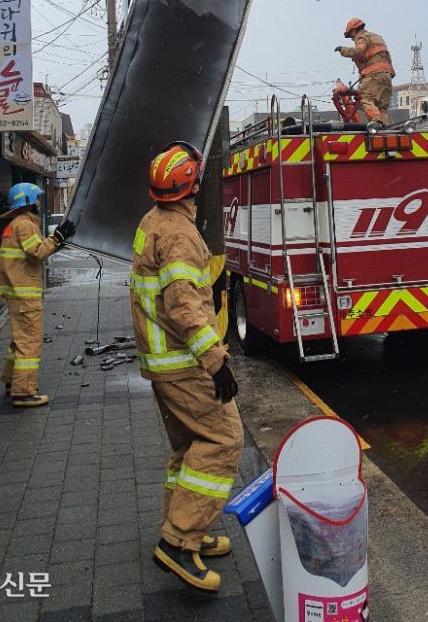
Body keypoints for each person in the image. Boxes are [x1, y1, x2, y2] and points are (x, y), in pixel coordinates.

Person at [130, 141, 243, 595]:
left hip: (161, 361)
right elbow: (182, 306)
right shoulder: (178, 234)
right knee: (223, 439)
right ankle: (178, 543)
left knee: (187, 447)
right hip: (183, 363)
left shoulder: (153, 221)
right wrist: (216, 363)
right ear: (191, 185)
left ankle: (187, 529)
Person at [0, 183, 76, 407]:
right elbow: (38, 253)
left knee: (19, 340)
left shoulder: (15, 224)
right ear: (28, 202)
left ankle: (12, 380)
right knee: (29, 343)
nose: (39, 203)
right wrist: (57, 238)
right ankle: (23, 392)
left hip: (16, 293)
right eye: (36, 199)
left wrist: (56, 241)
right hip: (24, 295)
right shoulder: (25, 225)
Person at [335, 17, 395, 124]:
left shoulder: (362, 38)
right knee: (382, 107)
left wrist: (343, 50)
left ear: (353, 31)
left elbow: (358, 52)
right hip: (387, 76)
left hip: (373, 75)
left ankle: (377, 123)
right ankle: (385, 128)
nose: (352, 39)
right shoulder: (376, 38)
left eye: (351, 36)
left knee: (364, 99)